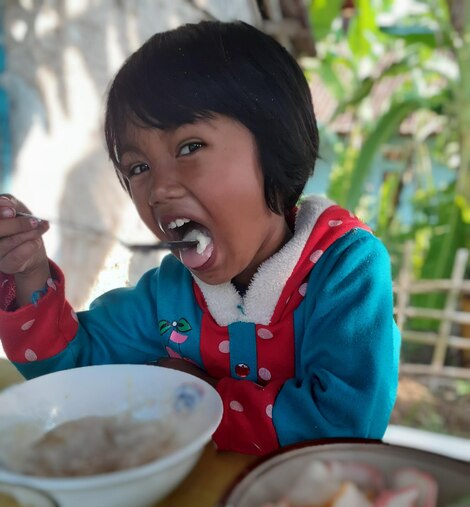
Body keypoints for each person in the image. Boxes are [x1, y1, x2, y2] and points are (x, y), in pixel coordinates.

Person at [0, 20, 400, 455]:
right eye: (138, 168)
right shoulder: (167, 295)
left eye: (189, 147)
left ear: (274, 146)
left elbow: (343, 429)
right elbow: (71, 372)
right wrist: (29, 273)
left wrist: (192, 395)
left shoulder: (347, 270)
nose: (158, 189)